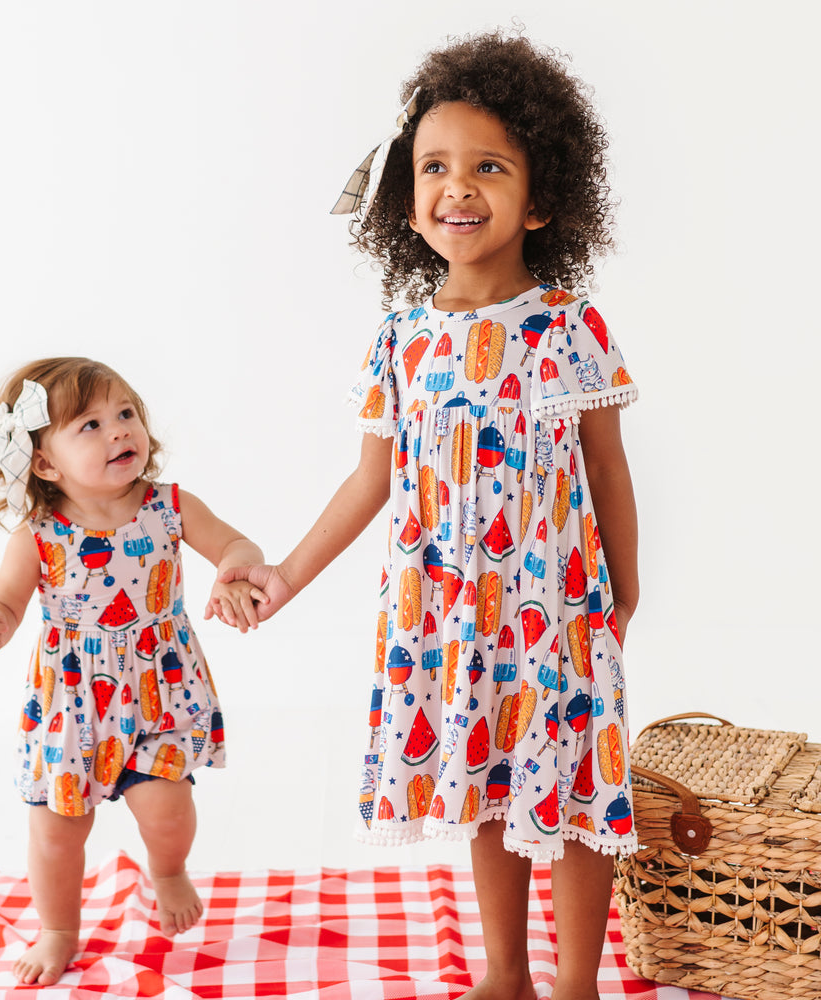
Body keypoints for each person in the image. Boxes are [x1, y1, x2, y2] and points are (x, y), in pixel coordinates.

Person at [215, 31, 640, 1000]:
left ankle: (575, 979)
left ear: (538, 199)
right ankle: (505, 972)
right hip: (450, 611)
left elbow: (606, 467)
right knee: (490, 791)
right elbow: (370, 480)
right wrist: (281, 574)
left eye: (488, 165)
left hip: (560, 612)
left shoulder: (569, 324)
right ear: (407, 204)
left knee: (574, 794)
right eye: (435, 166)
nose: (458, 186)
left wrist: (624, 581)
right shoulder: (401, 339)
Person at [0, 357, 263, 987]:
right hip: (71, 703)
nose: (119, 431)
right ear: (44, 464)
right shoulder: (37, 535)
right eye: (91, 425)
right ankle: (57, 929)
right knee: (56, 830)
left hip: (160, 689)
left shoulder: (170, 508)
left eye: (126, 414)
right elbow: (8, 602)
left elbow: (238, 544)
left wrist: (234, 568)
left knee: (167, 808)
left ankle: (168, 868)